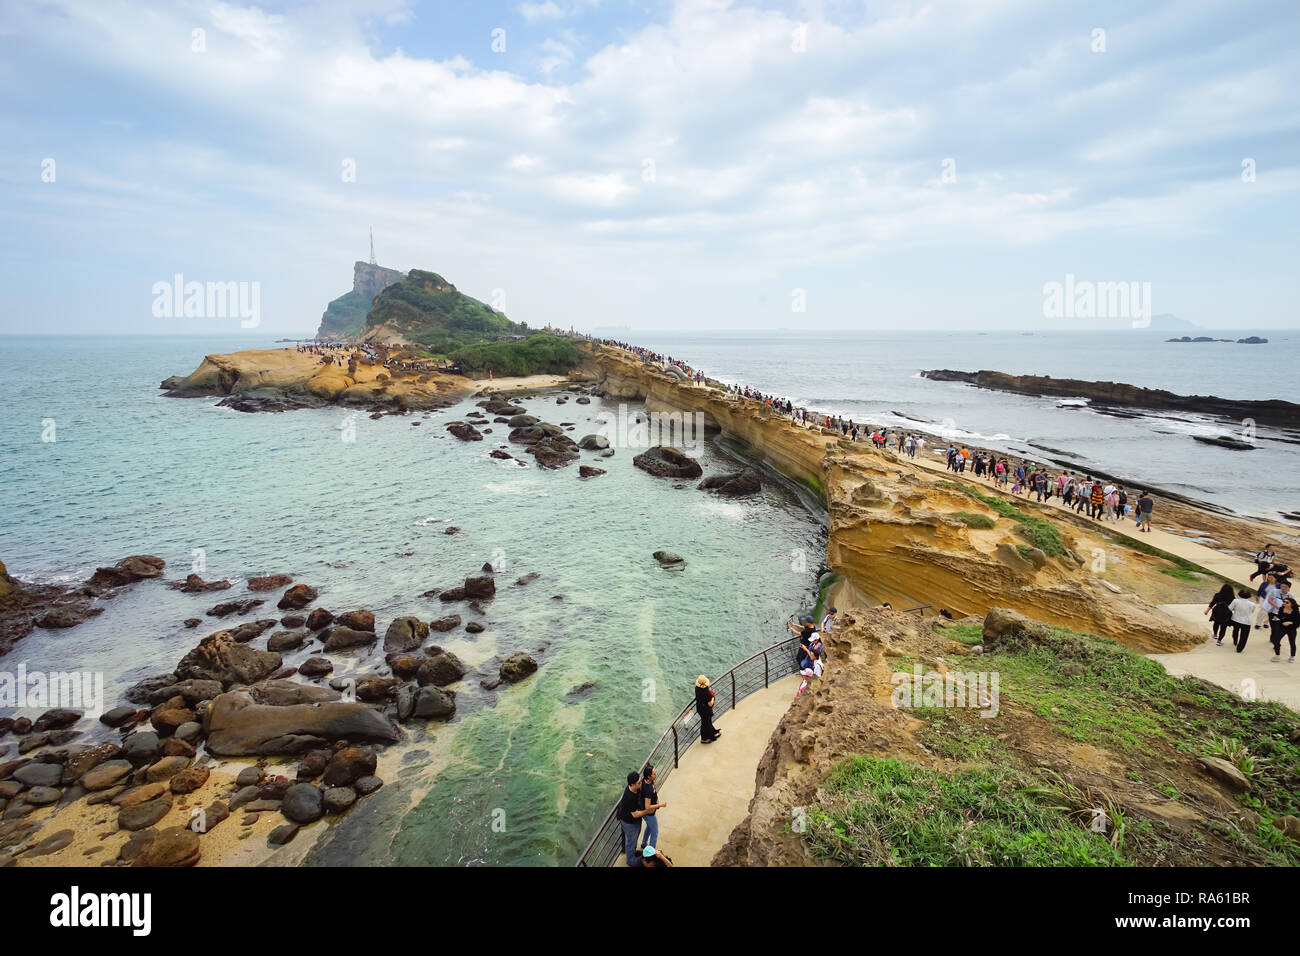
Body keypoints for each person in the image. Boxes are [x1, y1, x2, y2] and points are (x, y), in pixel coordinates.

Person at [616, 771, 647, 866]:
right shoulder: (629, 797)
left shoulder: (635, 789)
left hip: (634, 821)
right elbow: (635, 814)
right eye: (639, 783)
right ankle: (630, 860)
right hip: (629, 823)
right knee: (631, 841)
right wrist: (647, 811)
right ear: (633, 784)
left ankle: (632, 852)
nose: (641, 783)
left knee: (633, 839)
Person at [639, 764, 666, 852]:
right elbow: (647, 806)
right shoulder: (648, 789)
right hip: (649, 814)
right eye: (654, 774)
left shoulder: (645, 781)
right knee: (655, 832)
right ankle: (650, 853)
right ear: (649, 776)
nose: (656, 775)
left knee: (650, 827)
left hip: (647, 812)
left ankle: (644, 843)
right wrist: (660, 805)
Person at [694, 675, 721, 742]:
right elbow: (710, 704)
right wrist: (713, 697)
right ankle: (704, 738)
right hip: (706, 710)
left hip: (700, 708)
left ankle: (712, 733)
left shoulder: (697, 688)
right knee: (706, 723)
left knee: (706, 722)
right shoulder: (706, 692)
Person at [1229, 588, 1256, 653]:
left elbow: (1230, 608)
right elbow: (1252, 611)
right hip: (1247, 621)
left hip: (1235, 619)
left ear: (1240, 594)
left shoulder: (1235, 601)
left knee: (1235, 631)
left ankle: (1235, 641)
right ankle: (1239, 648)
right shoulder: (1252, 604)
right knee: (1244, 636)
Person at [1278, 597, 1300, 664]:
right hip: (1282, 628)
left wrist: (1290, 622)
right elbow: (1279, 617)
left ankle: (1292, 656)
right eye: (1284, 602)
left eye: (1287, 602)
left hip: (1291, 629)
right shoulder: (1282, 609)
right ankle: (1277, 654)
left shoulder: (1296, 612)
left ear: (1291, 604)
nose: (1284, 603)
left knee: (1292, 642)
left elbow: (1297, 623)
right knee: (1276, 639)